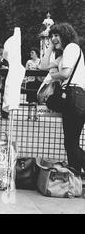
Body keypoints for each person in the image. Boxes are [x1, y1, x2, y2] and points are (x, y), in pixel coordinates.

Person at [40, 23, 85, 174]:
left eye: (56, 35)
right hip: (74, 97)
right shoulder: (64, 54)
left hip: (74, 95)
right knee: (70, 142)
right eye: (52, 36)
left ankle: (76, 171)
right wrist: (51, 48)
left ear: (65, 35)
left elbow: (65, 74)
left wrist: (52, 76)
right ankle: (75, 174)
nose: (53, 38)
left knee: (71, 142)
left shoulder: (71, 48)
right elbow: (43, 65)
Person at [25, 48, 42, 120]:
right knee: (30, 99)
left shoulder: (40, 61)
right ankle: (29, 115)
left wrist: (37, 68)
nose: (31, 54)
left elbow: (42, 69)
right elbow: (26, 70)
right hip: (30, 81)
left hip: (38, 81)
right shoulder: (28, 62)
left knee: (36, 99)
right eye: (30, 53)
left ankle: (36, 115)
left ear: (36, 53)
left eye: (32, 52)